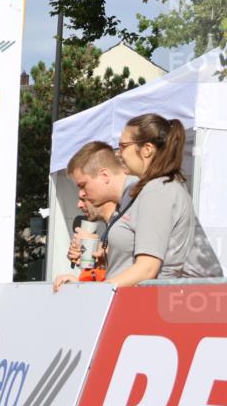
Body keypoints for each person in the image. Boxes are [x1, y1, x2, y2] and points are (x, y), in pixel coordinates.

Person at [54, 121, 222, 289]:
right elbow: (137, 251)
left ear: (147, 149)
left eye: (123, 146)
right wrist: (101, 253)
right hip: (144, 302)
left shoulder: (156, 191)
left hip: (164, 304)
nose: (118, 154)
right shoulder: (137, 193)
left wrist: (97, 292)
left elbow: (147, 268)